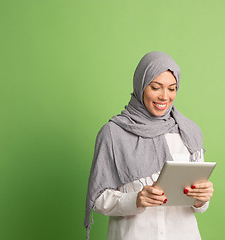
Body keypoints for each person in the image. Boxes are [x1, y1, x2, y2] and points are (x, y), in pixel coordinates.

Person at [84, 51, 214, 240]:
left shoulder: (188, 132)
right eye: (155, 87)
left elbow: (198, 205)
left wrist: (201, 199)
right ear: (141, 85)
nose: (164, 96)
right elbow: (97, 199)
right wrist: (135, 200)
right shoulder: (113, 133)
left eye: (172, 88)